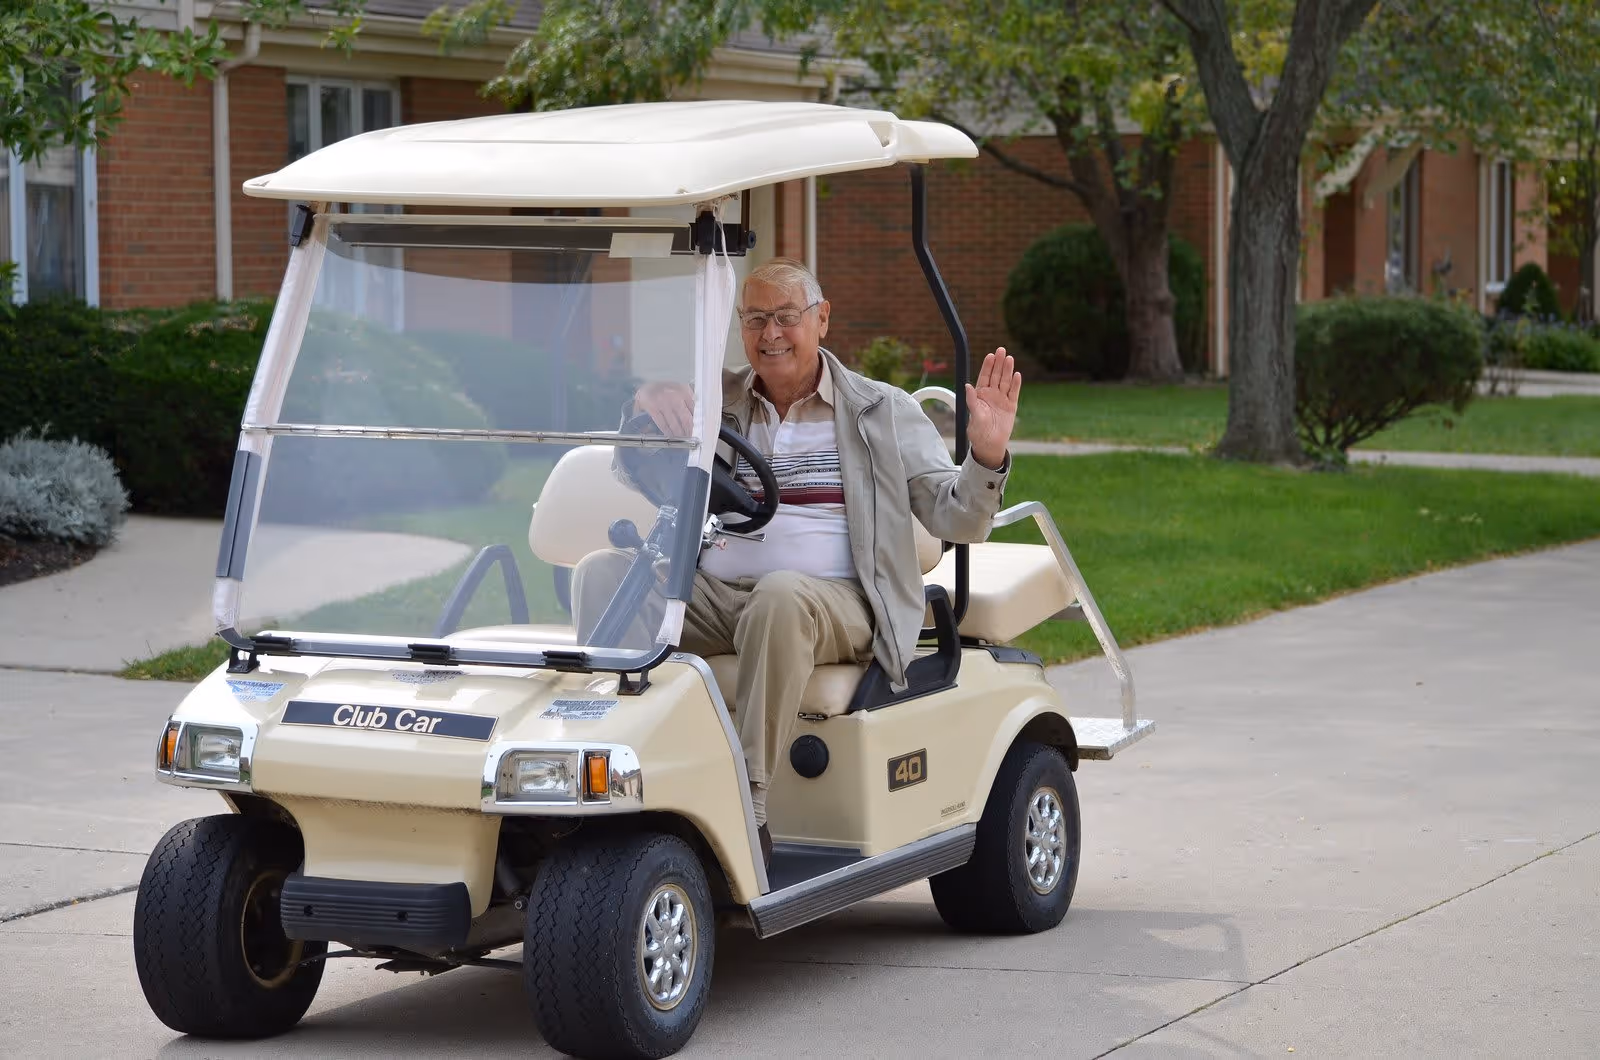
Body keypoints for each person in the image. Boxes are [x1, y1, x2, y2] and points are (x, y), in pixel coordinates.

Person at [572, 256, 1021, 863]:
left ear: (822, 319)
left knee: (780, 595)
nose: (771, 333)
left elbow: (958, 518)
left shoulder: (880, 411)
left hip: (841, 601)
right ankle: (598, 770)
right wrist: (643, 406)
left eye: (786, 316)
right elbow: (639, 471)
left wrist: (987, 457)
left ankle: (748, 803)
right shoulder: (717, 400)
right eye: (755, 318)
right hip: (720, 595)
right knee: (602, 572)